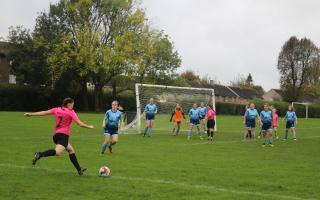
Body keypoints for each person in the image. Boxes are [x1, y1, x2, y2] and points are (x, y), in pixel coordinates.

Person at [24, 98, 94, 175]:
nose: (73, 106)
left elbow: (44, 112)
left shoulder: (57, 109)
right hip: (63, 136)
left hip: (56, 135)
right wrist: (89, 126)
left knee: (71, 150)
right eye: (72, 104)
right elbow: (80, 124)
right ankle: (40, 154)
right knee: (58, 152)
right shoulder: (71, 112)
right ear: (69, 104)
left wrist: (31, 114)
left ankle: (79, 170)